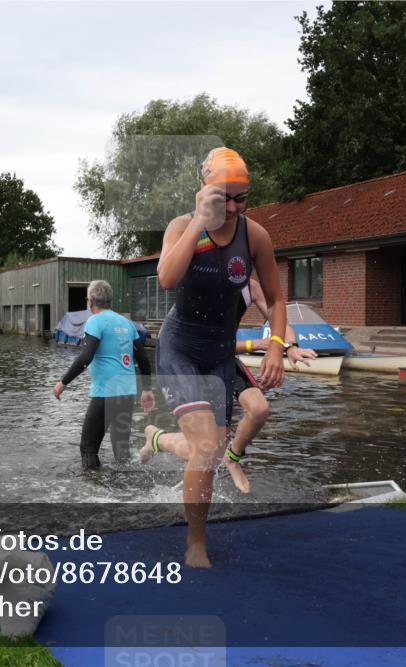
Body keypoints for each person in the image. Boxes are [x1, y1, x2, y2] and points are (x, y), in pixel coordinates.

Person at [150, 147, 287, 568]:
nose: (230, 207)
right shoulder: (181, 226)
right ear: (203, 190)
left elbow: (277, 299)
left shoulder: (255, 236)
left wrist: (279, 345)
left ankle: (156, 439)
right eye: (221, 196)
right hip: (180, 348)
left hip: (219, 354)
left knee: (208, 449)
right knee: (208, 447)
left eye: (239, 198)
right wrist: (197, 222)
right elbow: (168, 277)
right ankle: (195, 543)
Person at [142, 276, 317, 493]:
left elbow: (278, 320)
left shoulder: (251, 288)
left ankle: (233, 458)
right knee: (207, 449)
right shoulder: (200, 279)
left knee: (259, 410)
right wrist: (255, 344)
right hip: (186, 359)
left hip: (221, 358)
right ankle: (158, 439)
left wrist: (289, 346)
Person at [53, 280, 155, 469]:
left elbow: (86, 356)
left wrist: (63, 382)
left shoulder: (94, 321)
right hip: (127, 392)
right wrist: (147, 389)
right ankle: (125, 489)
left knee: (88, 448)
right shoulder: (127, 323)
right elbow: (142, 358)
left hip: (105, 392)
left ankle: (94, 491)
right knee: (121, 450)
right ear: (110, 300)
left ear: (90, 301)